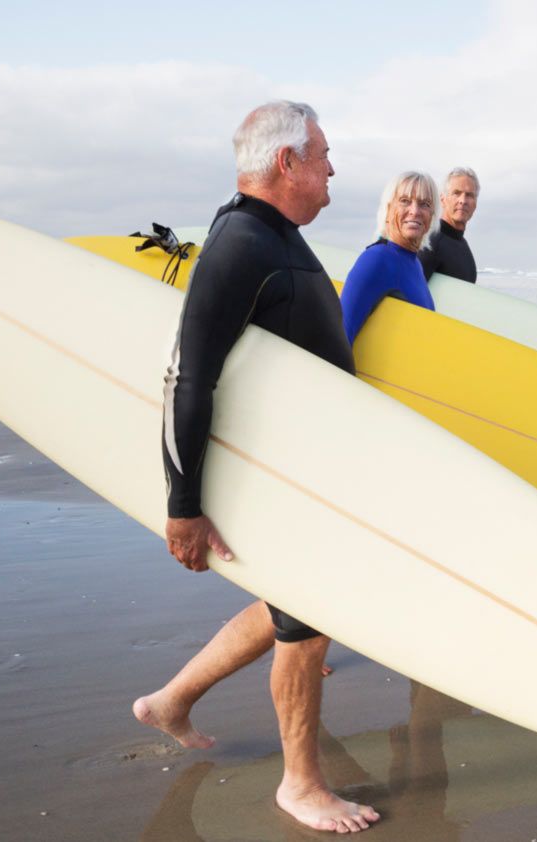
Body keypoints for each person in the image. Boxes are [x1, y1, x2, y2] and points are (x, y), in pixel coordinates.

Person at [134, 100, 380, 834]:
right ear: (288, 163)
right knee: (304, 624)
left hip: (306, 473)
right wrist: (183, 503)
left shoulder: (275, 238)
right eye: (325, 155)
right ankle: (300, 785)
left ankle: (171, 702)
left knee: (285, 607)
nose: (332, 168)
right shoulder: (242, 240)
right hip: (282, 482)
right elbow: (187, 375)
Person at [340, 171, 439, 344]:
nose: (414, 211)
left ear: (432, 215)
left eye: (424, 204)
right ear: (388, 209)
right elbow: (340, 337)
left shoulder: (415, 264)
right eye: (405, 201)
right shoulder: (376, 260)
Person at [417, 167, 479, 283]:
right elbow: (407, 295)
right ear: (443, 199)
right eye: (456, 193)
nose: (463, 200)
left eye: (469, 195)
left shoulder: (462, 244)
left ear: (475, 203)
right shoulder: (431, 242)